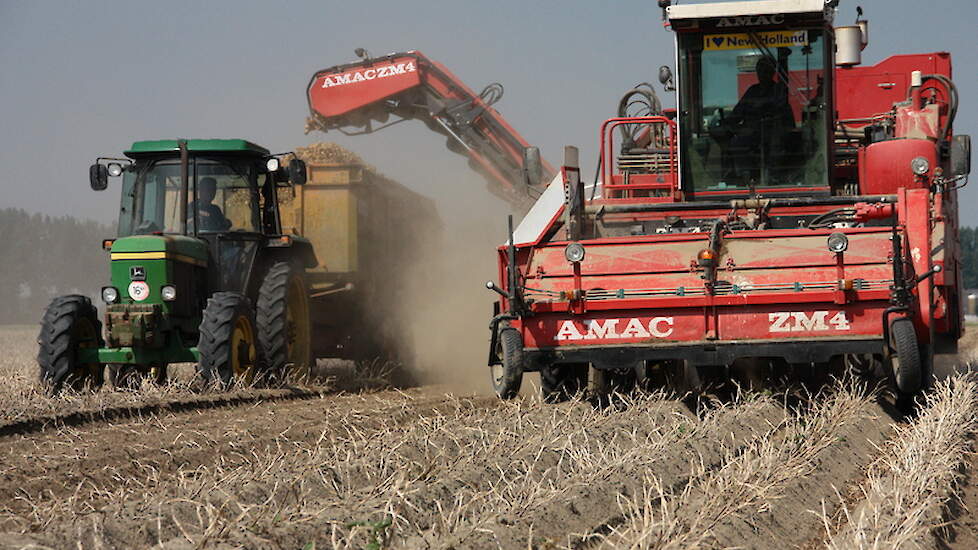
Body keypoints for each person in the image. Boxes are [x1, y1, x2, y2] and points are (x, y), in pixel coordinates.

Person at [726, 56, 796, 181]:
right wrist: (733, 125)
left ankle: (775, 177)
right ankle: (744, 176)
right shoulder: (752, 91)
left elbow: (784, 116)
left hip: (773, 136)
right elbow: (737, 113)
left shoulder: (778, 91)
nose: (762, 74)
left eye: (766, 70)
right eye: (760, 70)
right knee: (735, 143)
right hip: (751, 136)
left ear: (772, 72)